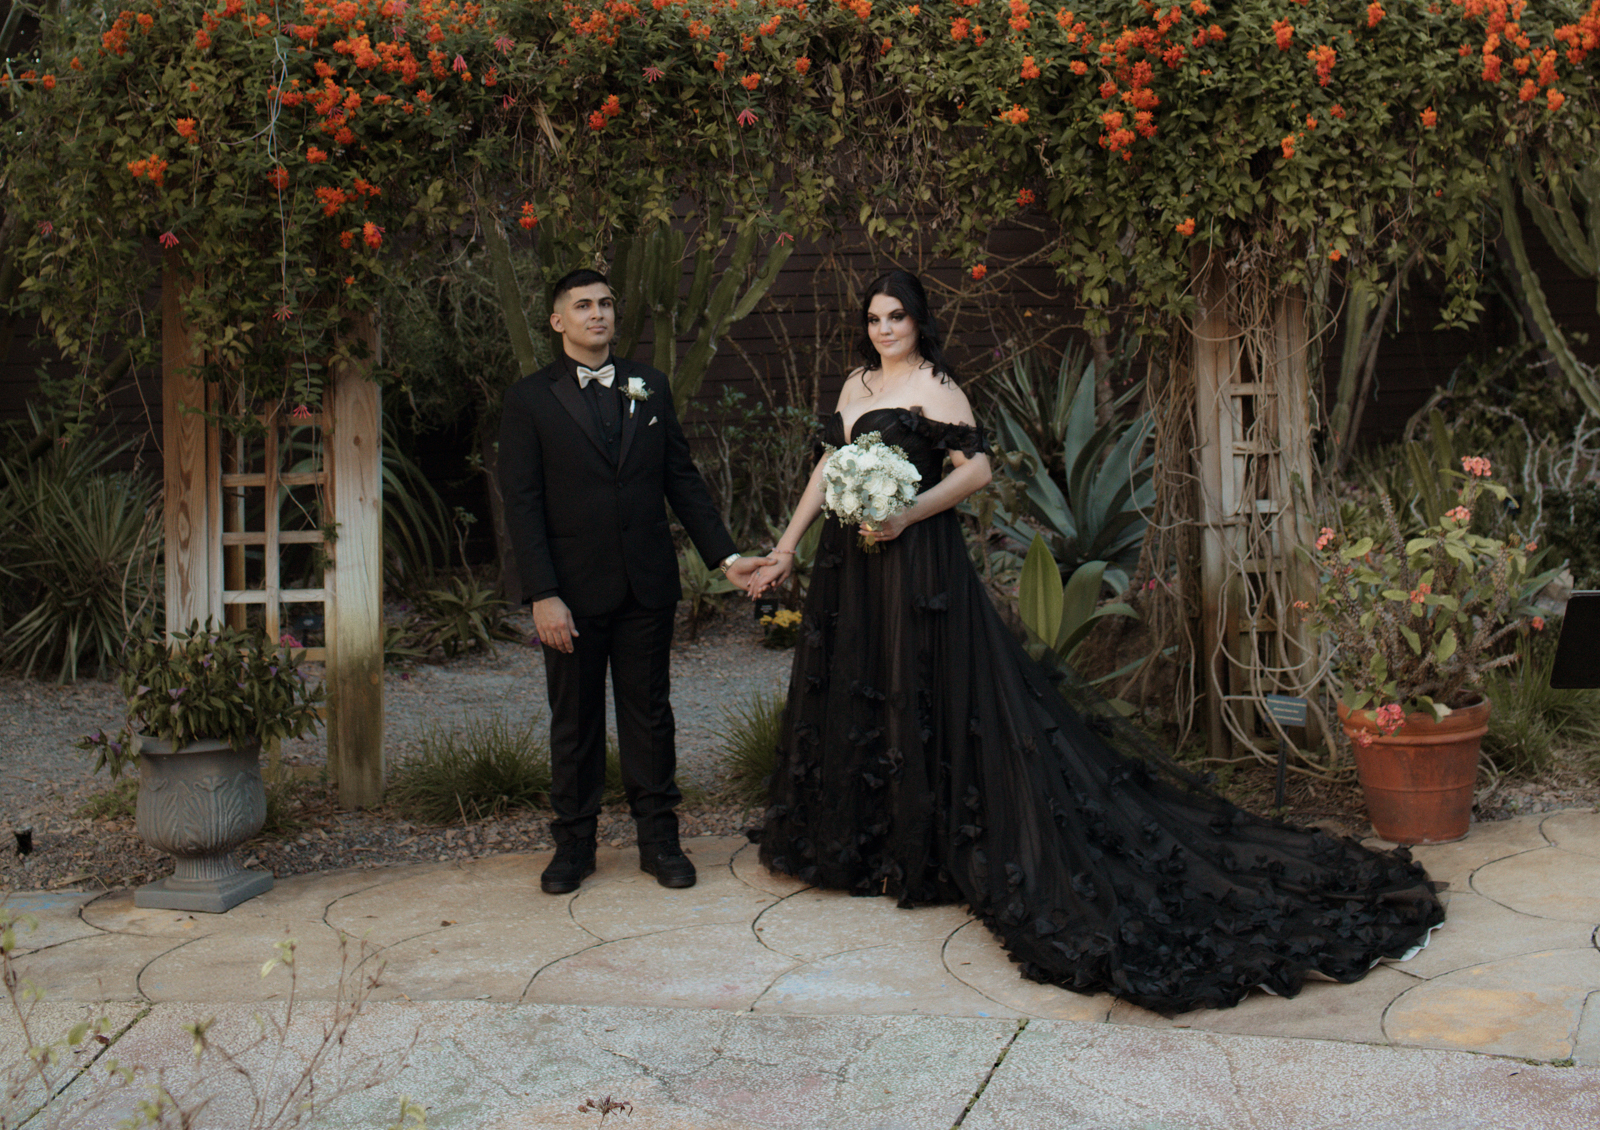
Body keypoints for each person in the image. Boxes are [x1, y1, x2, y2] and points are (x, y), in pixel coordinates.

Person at [731, 267, 1445, 1016]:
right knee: (862, 684)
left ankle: (927, 851)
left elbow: (976, 470)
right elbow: (826, 465)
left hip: (914, 561)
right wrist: (786, 549)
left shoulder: (939, 388)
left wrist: (909, 513)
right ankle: (874, 845)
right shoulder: (854, 386)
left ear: (919, 322)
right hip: (852, 567)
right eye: (875, 318)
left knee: (922, 686)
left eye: (897, 318)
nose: (884, 329)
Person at [499, 266, 751, 896]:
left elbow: (681, 481)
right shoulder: (529, 400)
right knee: (574, 721)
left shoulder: (650, 386)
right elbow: (522, 504)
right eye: (582, 305)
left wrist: (725, 559)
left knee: (650, 716)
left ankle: (659, 842)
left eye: (606, 303)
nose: (598, 314)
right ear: (558, 321)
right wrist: (542, 594)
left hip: (646, 586)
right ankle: (574, 848)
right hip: (571, 595)